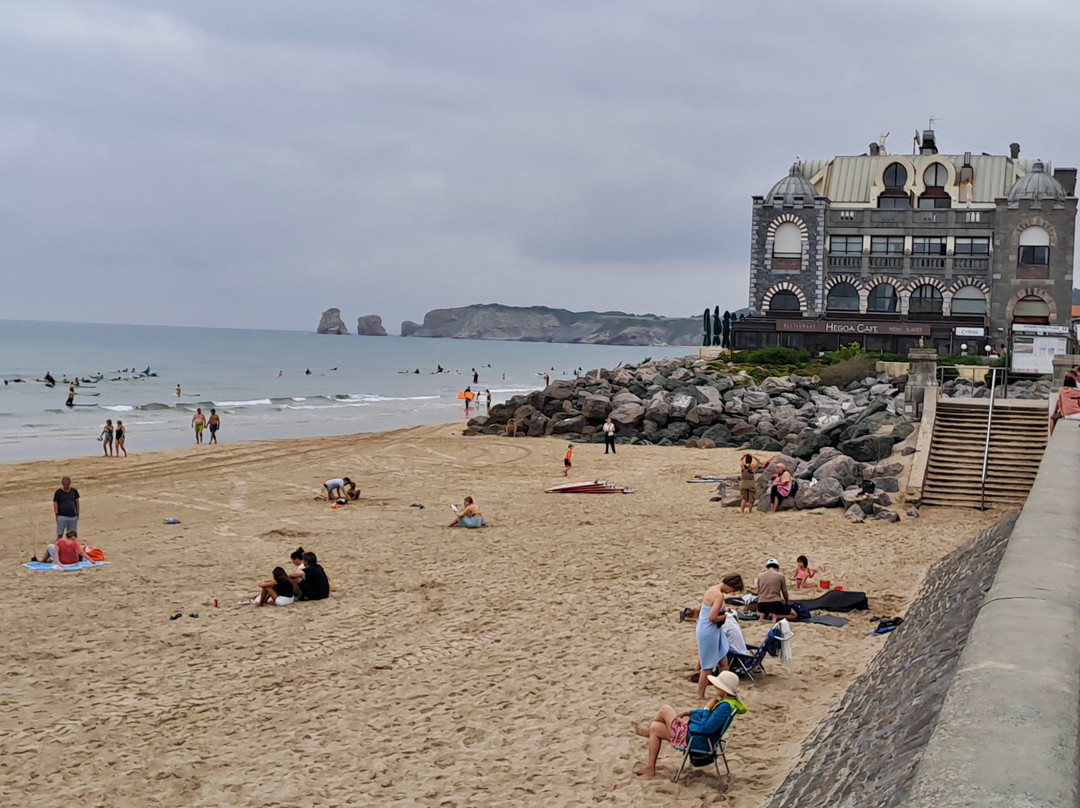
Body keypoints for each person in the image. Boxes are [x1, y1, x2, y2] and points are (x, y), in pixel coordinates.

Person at [633, 671, 746, 777]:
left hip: (695, 739)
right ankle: (650, 766)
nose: (715, 687)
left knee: (665, 709)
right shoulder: (727, 702)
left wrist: (707, 708)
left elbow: (706, 728)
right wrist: (688, 712)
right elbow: (710, 717)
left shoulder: (724, 707)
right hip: (696, 736)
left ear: (724, 689)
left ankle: (648, 733)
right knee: (655, 727)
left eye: (717, 685)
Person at [695, 575, 743, 699]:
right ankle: (700, 695)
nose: (731, 592)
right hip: (709, 631)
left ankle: (723, 690)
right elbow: (712, 618)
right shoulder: (718, 595)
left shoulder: (712, 589)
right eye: (733, 590)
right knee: (707, 666)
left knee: (723, 660)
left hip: (714, 630)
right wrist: (725, 617)